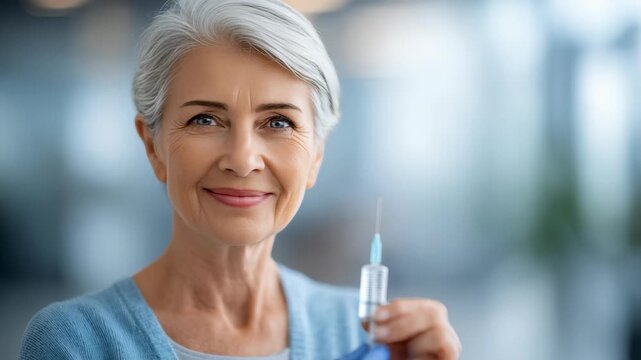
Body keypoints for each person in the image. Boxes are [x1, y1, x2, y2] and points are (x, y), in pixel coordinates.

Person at [19, 0, 461, 359]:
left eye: (279, 123)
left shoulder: (367, 336)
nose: (243, 159)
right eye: (205, 119)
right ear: (153, 147)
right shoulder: (74, 342)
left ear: (316, 157)